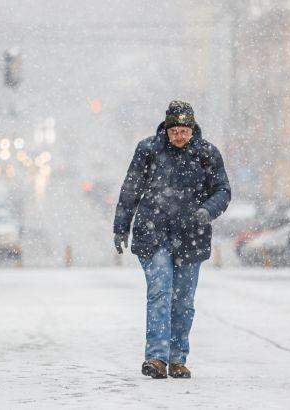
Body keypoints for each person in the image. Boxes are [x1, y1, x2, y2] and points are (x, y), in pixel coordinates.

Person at [113, 100, 231, 379]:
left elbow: (223, 190)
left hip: (192, 235)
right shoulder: (148, 151)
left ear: (192, 129)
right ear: (166, 129)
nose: (179, 136)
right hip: (153, 233)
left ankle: (178, 358)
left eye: (184, 131)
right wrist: (121, 227)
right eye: (174, 130)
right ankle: (156, 357)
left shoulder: (207, 154)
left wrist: (207, 210)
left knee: (184, 300)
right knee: (160, 292)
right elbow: (130, 189)